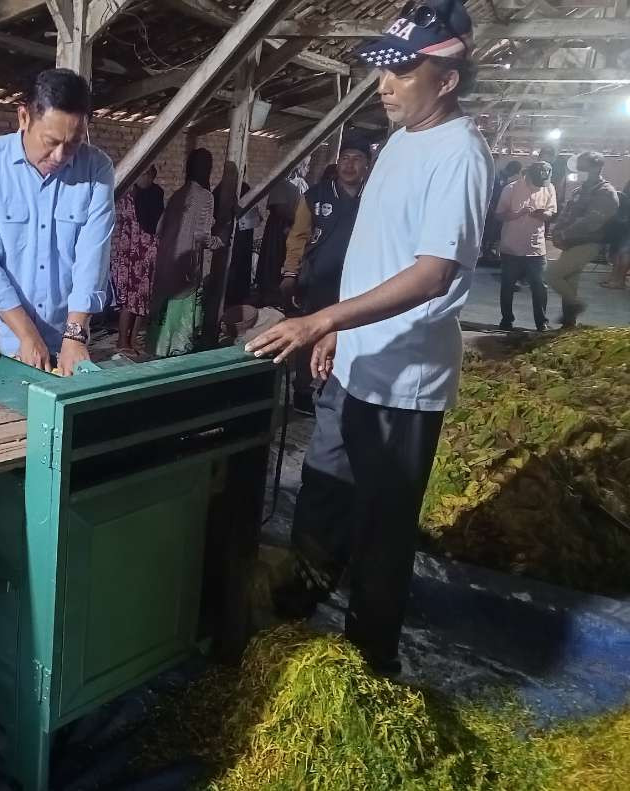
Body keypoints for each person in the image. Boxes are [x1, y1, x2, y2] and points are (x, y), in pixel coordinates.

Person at [249, 0, 494, 674]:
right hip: (356, 361)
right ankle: (293, 614)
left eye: (401, 72)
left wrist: (325, 318)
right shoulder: (399, 139)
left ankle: (367, 666)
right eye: (383, 72)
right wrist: (341, 332)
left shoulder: (460, 156)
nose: (383, 85)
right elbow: (376, 250)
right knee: (323, 489)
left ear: (445, 79)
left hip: (404, 386)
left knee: (383, 532)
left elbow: (430, 272)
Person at [0, 69, 114, 383]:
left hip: (66, 345)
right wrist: (26, 336)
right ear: (23, 118)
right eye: (51, 142)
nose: (60, 155)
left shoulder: (96, 169)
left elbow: (92, 258)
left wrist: (74, 334)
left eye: (72, 144)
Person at [279, 133, 372, 415]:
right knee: (311, 333)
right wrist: (290, 273)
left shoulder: (376, 197)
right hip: (319, 280)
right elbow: (298, 236)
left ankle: (336, 386)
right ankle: (303, 389)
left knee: (350, 335)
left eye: (357, 160)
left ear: (368, 164)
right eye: (344, 159)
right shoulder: (316, 196)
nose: (349, 165)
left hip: (359, 284)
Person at [147, 148, 221, 357]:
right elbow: (202, 236)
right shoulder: (206, 197)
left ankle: (159, 351)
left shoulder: (177, 195)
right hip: (186, 266)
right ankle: (177, 355)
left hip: (165, 262)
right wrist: (219, 241)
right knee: (181, 315)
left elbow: (160, 229)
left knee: (165, 310)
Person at [548, 151, 619, 327]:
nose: (578, 171)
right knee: (569, 283)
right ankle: (568, 325)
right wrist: (557, 232)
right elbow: (567, 213)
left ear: (596, 167)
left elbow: (591, 222)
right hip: (571, 243)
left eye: (583, 168)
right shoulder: (581, 189)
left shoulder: (605, 192)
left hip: (588, 243)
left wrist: (564, 234)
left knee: (551, 275)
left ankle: (577, 304)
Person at [496, 160, 556, 331]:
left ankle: (541, 322)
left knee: (539, 286)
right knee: (508, 285)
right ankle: (506, 320)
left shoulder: (549, 188)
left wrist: (543, 214)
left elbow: (551, 212)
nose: (540, 186)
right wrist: (518, 214)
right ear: (528, 174)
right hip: (512, 247)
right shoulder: (511, 189)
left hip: (536, 248)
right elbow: (499, 215)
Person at [110, 164, 163, 354]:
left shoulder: (156, 193)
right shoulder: (127, 196)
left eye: (148, 174)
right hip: (130, 256)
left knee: (143, 301)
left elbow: (158, 224)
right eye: (142, 174)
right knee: (129, 302)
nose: (145, 178)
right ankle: (122, 341)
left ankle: (133, 340)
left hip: (148, 254)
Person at [254, 158, 310, 308]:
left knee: (291, 262)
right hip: (279, 229)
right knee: (274, 260)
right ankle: (268, 295)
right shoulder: (280, 184)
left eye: (307, 165)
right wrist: (298, 219)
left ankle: (285, 297)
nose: (307, 168)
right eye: (304, 165)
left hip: (295, 227)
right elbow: (278, 209)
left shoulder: (303, 184)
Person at [483, 160, 522, 260]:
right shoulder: (497, 177)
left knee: (495, 231)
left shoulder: (503, 178)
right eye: (514, 172)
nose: (513, 175)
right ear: (511, 169)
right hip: (491, 208)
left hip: (497, 208)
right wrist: (491, 207)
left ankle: (489, 250)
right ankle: (485, 251)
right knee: (489, 230)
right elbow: (489, 193)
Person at [600, 178, 630, 290]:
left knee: (623, 253)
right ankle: (616, 278)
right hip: (625, 224)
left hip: (625, 224)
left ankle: (619, 280)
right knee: (621, 252)